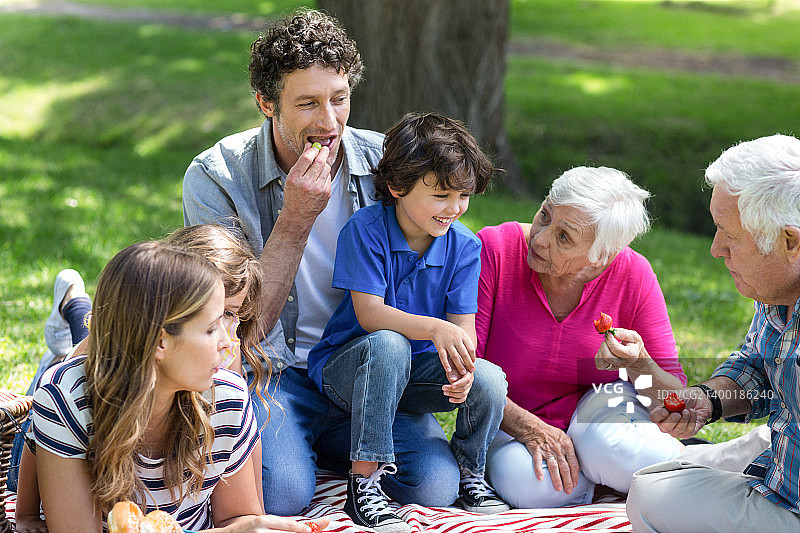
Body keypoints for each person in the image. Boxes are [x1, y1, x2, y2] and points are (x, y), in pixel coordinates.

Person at [183, 10, 461, 515]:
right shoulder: (216, 176)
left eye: (339, 99)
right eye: (308, 104)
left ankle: (338, 450)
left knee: (435, 488)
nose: (329, 123)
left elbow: (453, 231)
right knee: (282, 497)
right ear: (266, 104)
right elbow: (235, 323)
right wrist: (295, 218)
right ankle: (80, 326)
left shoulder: (386, 164)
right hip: (274, 372)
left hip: (367, 368)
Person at [28, 240, 325, 532]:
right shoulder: (67, 399)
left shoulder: (227, 396)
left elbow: (237, 517)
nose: (227, 342)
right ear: (160, 342)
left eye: (228, 318)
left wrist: (251, 526)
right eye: (211, 329)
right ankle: (72, 312)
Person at [307, 113, 509, 531]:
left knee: (490, 379)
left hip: (409, 380)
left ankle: (472, 473)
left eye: (463, 196)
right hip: (349, 369)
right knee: (389, 343)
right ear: (398, 186)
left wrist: (463, 369)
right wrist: (434, 329)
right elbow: (370, 315)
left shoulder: (466, 246)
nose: (453, 208)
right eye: (440, 195)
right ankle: (364, 483)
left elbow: (462, 329)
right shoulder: (365, 230)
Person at [475, 166, 688, 508]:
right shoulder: (495, 249)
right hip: (510, 418)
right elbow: (466, 368)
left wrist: (638, 364)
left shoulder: (633, 273)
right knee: (530, 486)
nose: (540, 237)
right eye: (545, 215)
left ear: (600, 257)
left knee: (609, 448)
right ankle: (614, 483)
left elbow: (672, 398)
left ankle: (682, 467)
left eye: (563, 236)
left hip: (601, 410)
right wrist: (531, 429)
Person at [625, 134, 800, 532]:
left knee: (649, 495)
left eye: (731, 235)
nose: (716, 249)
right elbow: (758, 364)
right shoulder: (779, 289)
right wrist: (707, 401)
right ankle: (764, 447)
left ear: (791, 242)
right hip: (785, 457)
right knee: (656, 473)